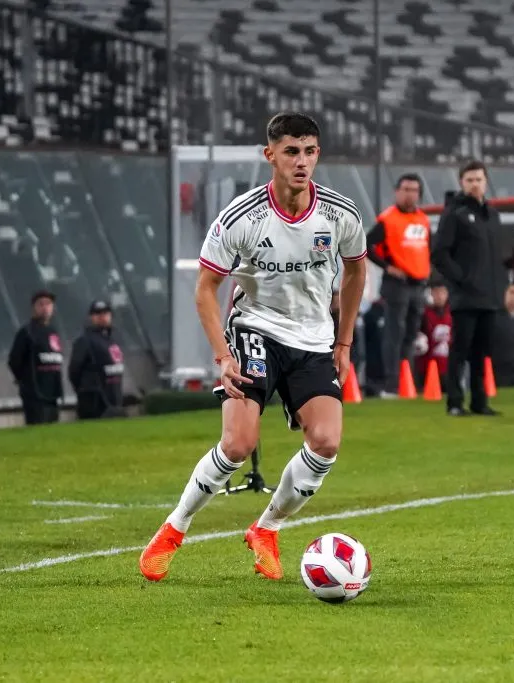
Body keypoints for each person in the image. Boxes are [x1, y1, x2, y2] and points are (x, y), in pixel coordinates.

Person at [139, 112, 367, 583]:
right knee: (238, 443)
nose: (301, 162)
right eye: (291, 152)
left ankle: (267, 529)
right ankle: (173, 530)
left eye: (309, 151)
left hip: (314, 338)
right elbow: (205, 289)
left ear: (317, 154)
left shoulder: (341, 214)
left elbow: (356, 271)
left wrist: (343, 339)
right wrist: (223, 357)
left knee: (326, 442)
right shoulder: (241, 218)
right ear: (271, 156)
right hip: (255, 329)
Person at [430, 160, 507, 417]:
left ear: (486, 182)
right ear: (462, 183)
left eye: (479, 179)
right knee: (460, 350)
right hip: (466, 296)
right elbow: (440, 254)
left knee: (481, 353)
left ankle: (479, 402)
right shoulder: (454, 213)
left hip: (491, 296)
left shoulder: (493, 215)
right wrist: (462, 279)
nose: (475, 184)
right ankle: (454, 402)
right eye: (470, 180)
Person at [367, 174, 431, 397]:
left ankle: (406, 381)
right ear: (397, 191)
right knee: (395, 334)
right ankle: (391, 385)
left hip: (418, 284)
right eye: (405, 189)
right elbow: (366, 244)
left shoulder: (422, 219)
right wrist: (387, 267)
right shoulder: (388, 219)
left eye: (414, 190)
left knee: (411, 334)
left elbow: (425, 249)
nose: (410, 194)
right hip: (397, 283)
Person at [7, 290, 63, 425]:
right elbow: (14, 360)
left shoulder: (53, 331)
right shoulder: (27, 332)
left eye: (48, 304)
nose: (45, 308)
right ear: (34, 308)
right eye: (41, 304)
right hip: (35, 394)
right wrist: (25, 381)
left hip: (52, 393)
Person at [68, 300, 125, 420]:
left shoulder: (114, 339)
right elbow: (74, 371)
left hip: (114, 398)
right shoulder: (84, 341)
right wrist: (85, 391)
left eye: (105, 313)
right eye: (97, 314)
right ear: (91, 317)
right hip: (94, 402)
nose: (102, 317)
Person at [418, 281, 452, 389]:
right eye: (436, 293)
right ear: (431, 294)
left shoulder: (453, 313)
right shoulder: (423, 313)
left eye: (442, 293)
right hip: (427, 367)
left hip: (448, 367)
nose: (440, 296)